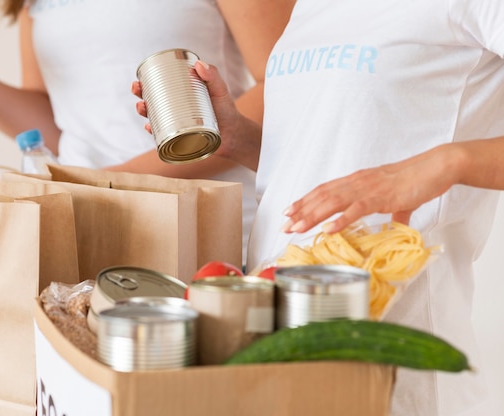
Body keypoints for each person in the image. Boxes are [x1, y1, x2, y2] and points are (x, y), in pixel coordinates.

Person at [133, 1, 504, 414]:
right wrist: (237, 136)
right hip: (285, 340)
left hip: (397, 366)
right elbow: (324, 158)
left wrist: (446, 163)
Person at [0, 0, 297, 265]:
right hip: (90, 221)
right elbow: (59, 128)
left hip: (201, 224)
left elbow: (287, 82)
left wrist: (116, 178)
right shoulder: (33, 6)